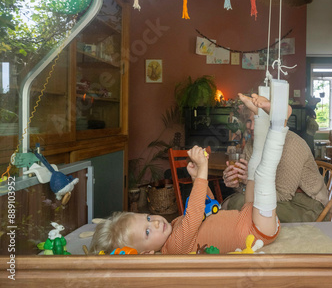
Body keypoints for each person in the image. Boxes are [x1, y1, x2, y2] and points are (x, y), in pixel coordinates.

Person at [89, 87, 291, 255]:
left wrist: (196, 180)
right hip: (257, 231)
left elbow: (207, 209)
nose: (156, 223)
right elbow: (194, 214)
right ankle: (280, 121)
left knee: (255, 167)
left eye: (148, 219)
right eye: (148, 232)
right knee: (265, 173)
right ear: (145, 254)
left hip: (247, 217)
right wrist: (203, 171)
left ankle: (262, 118)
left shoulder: (175, 227)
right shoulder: (174, 248)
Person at [222, 93, 329, 223]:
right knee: (233, 203)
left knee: (240, 205)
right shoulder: (251, 145)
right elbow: (246, 188)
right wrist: (237, 182)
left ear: (271, 121)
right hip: (272, 196)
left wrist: (249, 181)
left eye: (258, 120)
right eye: (249, 121)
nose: (251, 127)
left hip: (306, 203)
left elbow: (283, 195)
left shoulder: (292, 144)